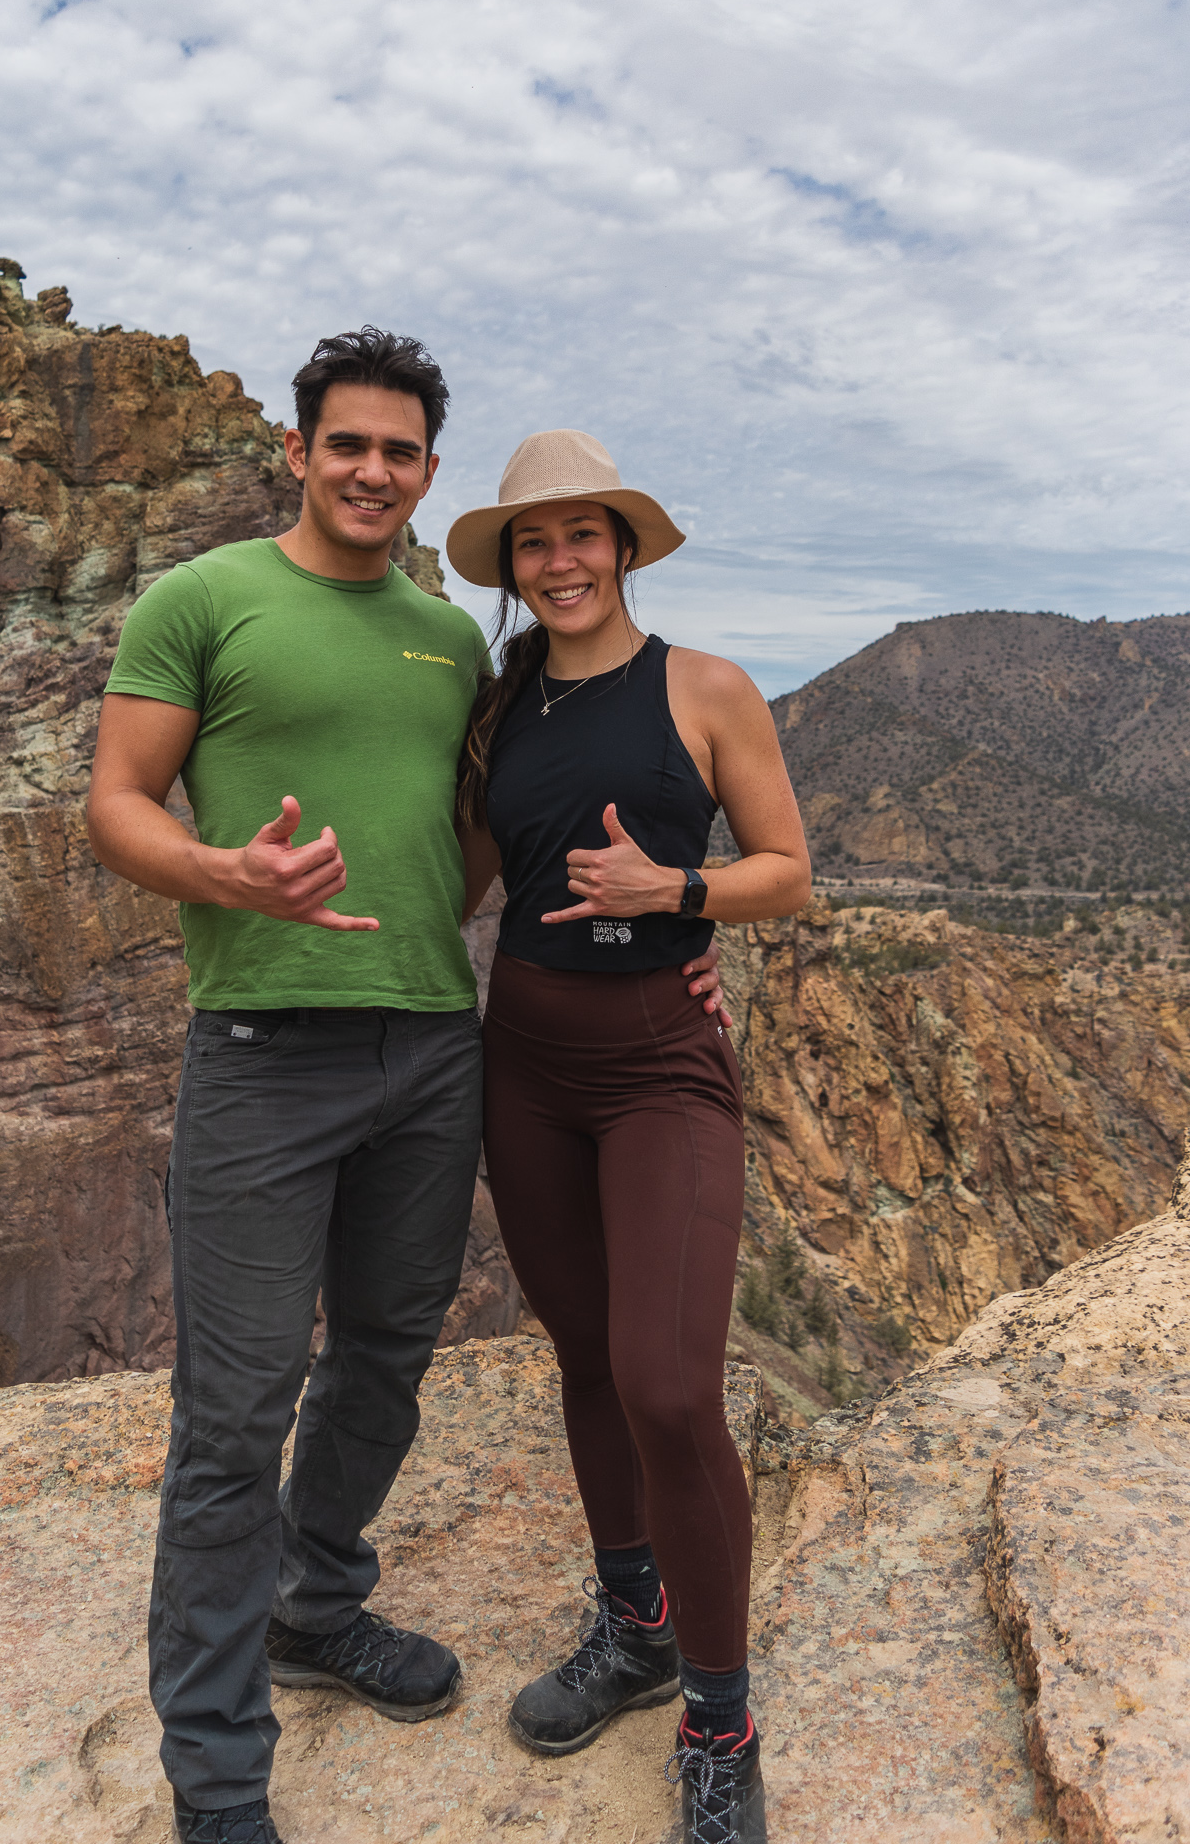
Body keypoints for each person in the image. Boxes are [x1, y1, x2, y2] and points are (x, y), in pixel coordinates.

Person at [86, 332, 733, 1843]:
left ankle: (318, 1604)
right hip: (259, 1049)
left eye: (400, 452)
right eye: (347, 445)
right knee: (235, 1413)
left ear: (428, 473)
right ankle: (221, 1779)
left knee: (384, 1360)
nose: (372, 471)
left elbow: (496, 835)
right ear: (300, 452)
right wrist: (224, 873)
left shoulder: (453, 646)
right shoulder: (202, 602)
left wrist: (678, 929)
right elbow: (116, 808)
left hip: (439, 1043)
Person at [446, 429, 811, 1844]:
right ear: (516, 567)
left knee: (668, 1381)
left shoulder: (705, 689)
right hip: (526, 1061)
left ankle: (721, 1720)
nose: (559, 562)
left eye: (581, 535)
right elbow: (470, 873)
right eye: (533, 544)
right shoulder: (502, 708)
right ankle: (634, 1619)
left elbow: (789, 873)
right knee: (586, 1356)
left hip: (662, 1062)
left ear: (624, 545)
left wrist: (678, 892)